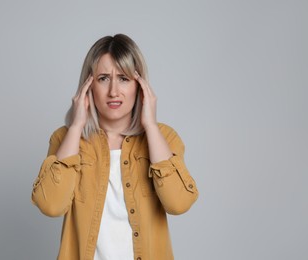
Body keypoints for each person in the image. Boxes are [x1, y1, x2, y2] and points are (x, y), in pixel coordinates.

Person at [31, 34, 199, 260]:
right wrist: (77, 126)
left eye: (123, 78)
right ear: (88, 86)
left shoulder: (164, 138)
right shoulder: (65, 140)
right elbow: (51, 205)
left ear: (139, 85)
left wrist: (149, 125)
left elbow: (178, 203)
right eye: (102, 78)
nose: (113, 91)